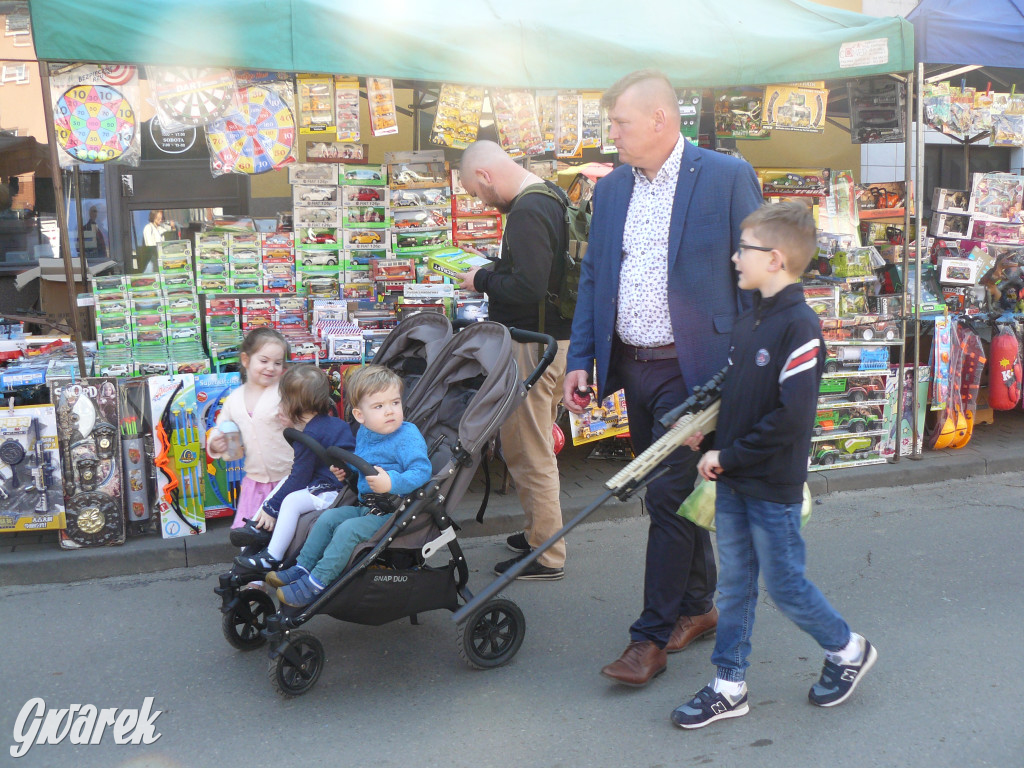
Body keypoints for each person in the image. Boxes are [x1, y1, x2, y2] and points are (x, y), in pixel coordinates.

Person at [562, 69, 764, 687]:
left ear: (659, 119)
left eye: (620, 123)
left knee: (668, 495)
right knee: (672, 497)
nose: (612, 135)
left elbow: (759, 272)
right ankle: (699, 606)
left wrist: (750, 370)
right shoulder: (613, 189)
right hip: (630, 365)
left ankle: (647, 639)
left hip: (696, 371)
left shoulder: (726, 176)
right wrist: (581, 357)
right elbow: (595, 277)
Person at [671, 201, 877, 728]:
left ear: (776, 259)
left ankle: (848, 650)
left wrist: (729, 454)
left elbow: (791, 419)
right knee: (735, 586)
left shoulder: (800, 327)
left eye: (745, 249)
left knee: (785, 586)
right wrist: (710, 436)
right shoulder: (750, 320)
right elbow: (745, 401)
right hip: (737, 478)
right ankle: (729, 685)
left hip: (771, 485)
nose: (736, 258)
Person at [456, 139, 571, 581]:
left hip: (532, 346)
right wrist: (493, 267)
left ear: (486, 176)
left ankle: (547, 554)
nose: (478, 200)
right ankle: (540, 530)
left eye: (474, 191)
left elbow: (528, 287)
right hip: (552, 341)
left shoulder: (526, 210)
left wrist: (481, 278)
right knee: (534, 442)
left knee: (529, 450)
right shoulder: (550, 196)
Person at [269, 365, 432, 607]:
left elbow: (422, 471)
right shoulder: (366, 433)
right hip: (368, 506)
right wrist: (346, 472)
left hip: (394, 511)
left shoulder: (407, 435)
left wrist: (392, 481)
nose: (390, 411)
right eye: (379, 406)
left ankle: (317, 582)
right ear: (360, 416)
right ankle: (303, 567)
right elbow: (362, 467)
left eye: (395, 403)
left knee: (348, 531)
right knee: (328, 518)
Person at [232, 364, 356, 575]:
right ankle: (259, 525)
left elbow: (299, 478)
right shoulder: (333, 423)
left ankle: (272, 555)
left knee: (290, 501)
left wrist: (273, 507)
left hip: (331, 491)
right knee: (284, 485)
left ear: (293, 405)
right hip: (338, 485)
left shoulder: (309, 436)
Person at [206, 328, 293, 530]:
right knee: (248, 533)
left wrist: (293, 421)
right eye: (263, 361)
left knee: (285, 533)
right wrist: (217, 446)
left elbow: (307, 427)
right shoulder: (234, 400)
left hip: (288, 480)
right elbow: (224, 438)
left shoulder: (285, 394)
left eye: (277, 363)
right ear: (246, 360)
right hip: (254, 484)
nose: (270, 367)